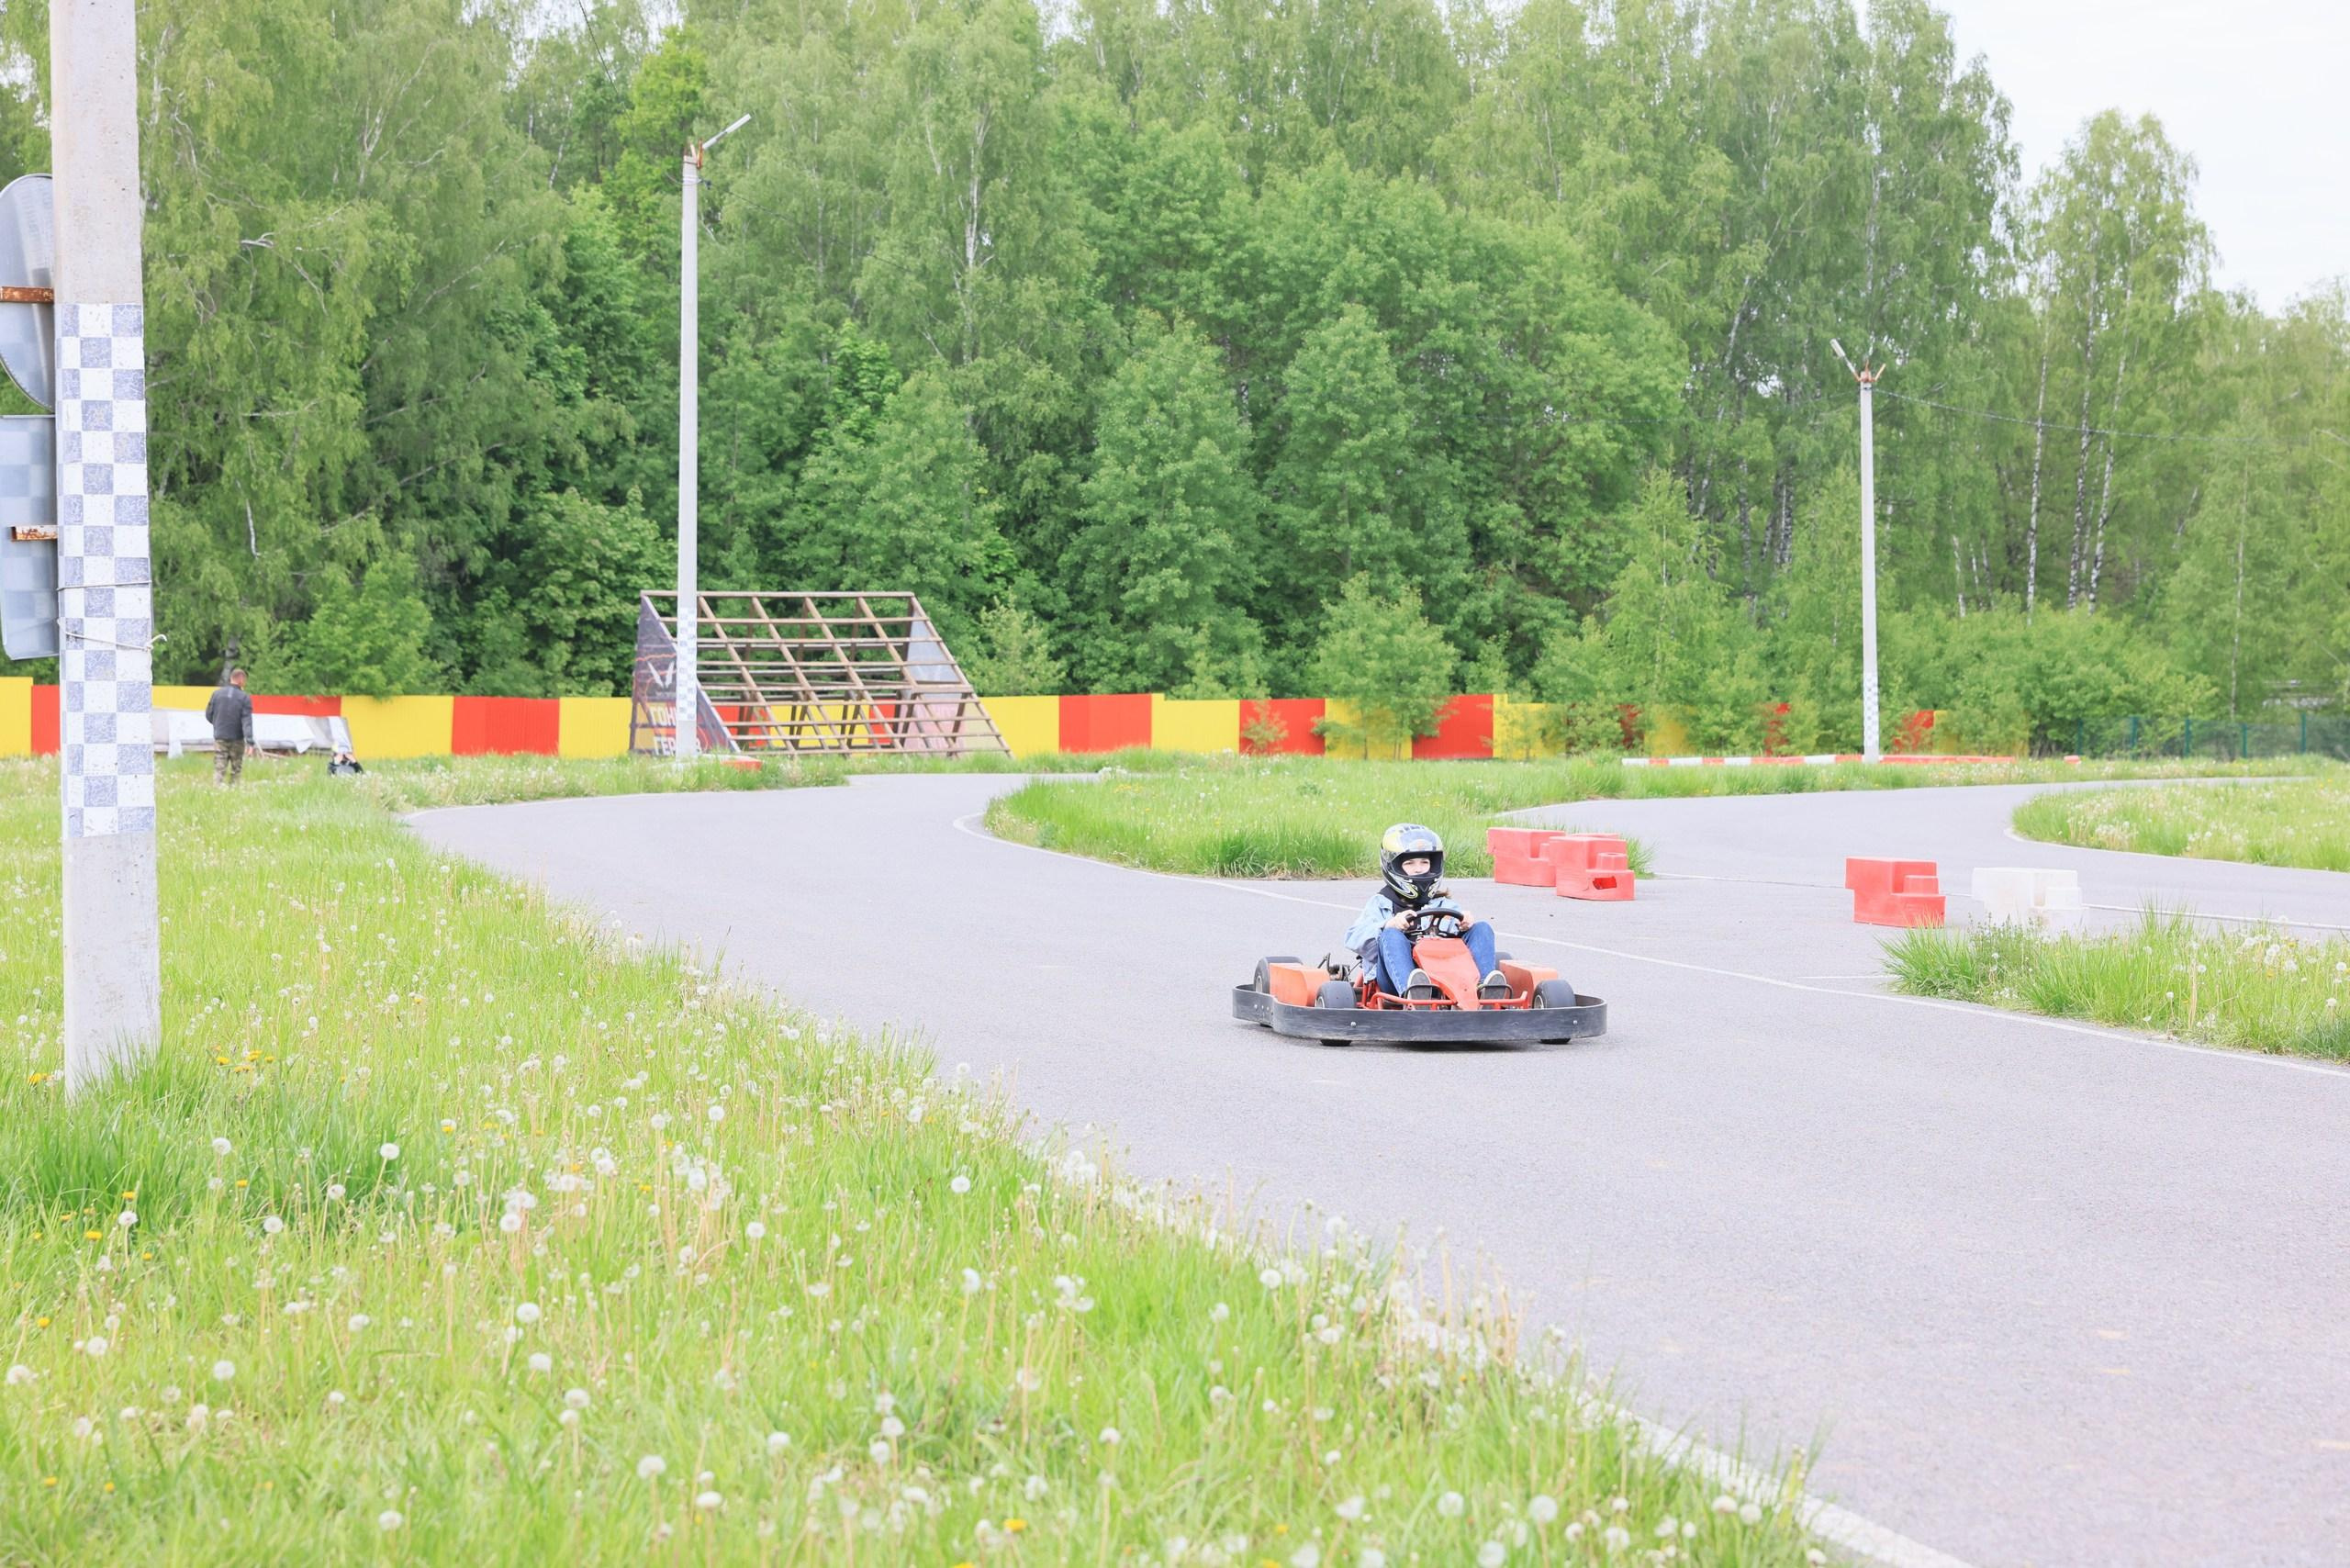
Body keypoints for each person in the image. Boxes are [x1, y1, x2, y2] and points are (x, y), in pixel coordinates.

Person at [1342, 823, 1506, 999]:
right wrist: (1389, 924)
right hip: (1393, 980)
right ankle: (1414, 991)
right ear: (1394, 866)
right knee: (1391, 935)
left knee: (1481, 927)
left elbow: (1463, 927)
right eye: (1410, 863)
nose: (1419, 869)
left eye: (1424, 862)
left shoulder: (1442, 903)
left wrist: (1465, 923)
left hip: (1446, 972)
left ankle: (1485, 988)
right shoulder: (1381, 903)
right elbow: (1353, 937)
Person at [204, 666, 255, 785]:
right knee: (236, 769)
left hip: (220, 737)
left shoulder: (216, 694)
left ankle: (216, 790)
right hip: (237, 738)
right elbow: (247, 721)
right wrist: (250, 742)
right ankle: (234, 791)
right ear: (241, 681)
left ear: (231, 678)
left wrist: (218, 724)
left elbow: (208, 714)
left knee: (219, 767)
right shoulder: (244, 698)